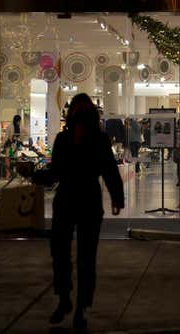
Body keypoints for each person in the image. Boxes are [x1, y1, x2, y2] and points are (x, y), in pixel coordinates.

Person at [44, 93, 124, 331]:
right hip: (67, 200)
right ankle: (65, 298)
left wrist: (117, 197)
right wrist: (35, 176)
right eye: (77, 112)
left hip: (88, 201)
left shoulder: (98, 140)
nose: (79, 116)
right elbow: (55, 171)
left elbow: (109, 169)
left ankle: (80, 307)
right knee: (59, 253)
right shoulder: (63, 139)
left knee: (86, 258)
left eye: (83, 112)